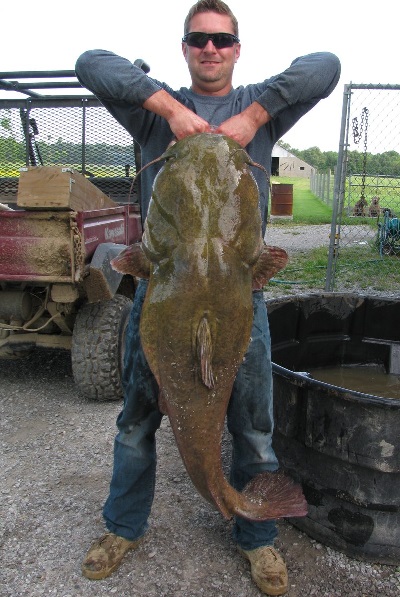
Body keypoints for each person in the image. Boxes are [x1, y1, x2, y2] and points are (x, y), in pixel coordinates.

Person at [75, 1, 340, 594]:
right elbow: (89, 62)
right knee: (136, 423)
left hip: (239, 299)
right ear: (185, 47)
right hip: (160, 297)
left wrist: (253, 117)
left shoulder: (259, 109)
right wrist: (168, 109)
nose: (210, 50)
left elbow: (326, 65)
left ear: (237, 48)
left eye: (221, 40)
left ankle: (257, 536)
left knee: (252, 425)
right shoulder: (153, 116)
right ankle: (123, 526)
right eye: (198, 40)